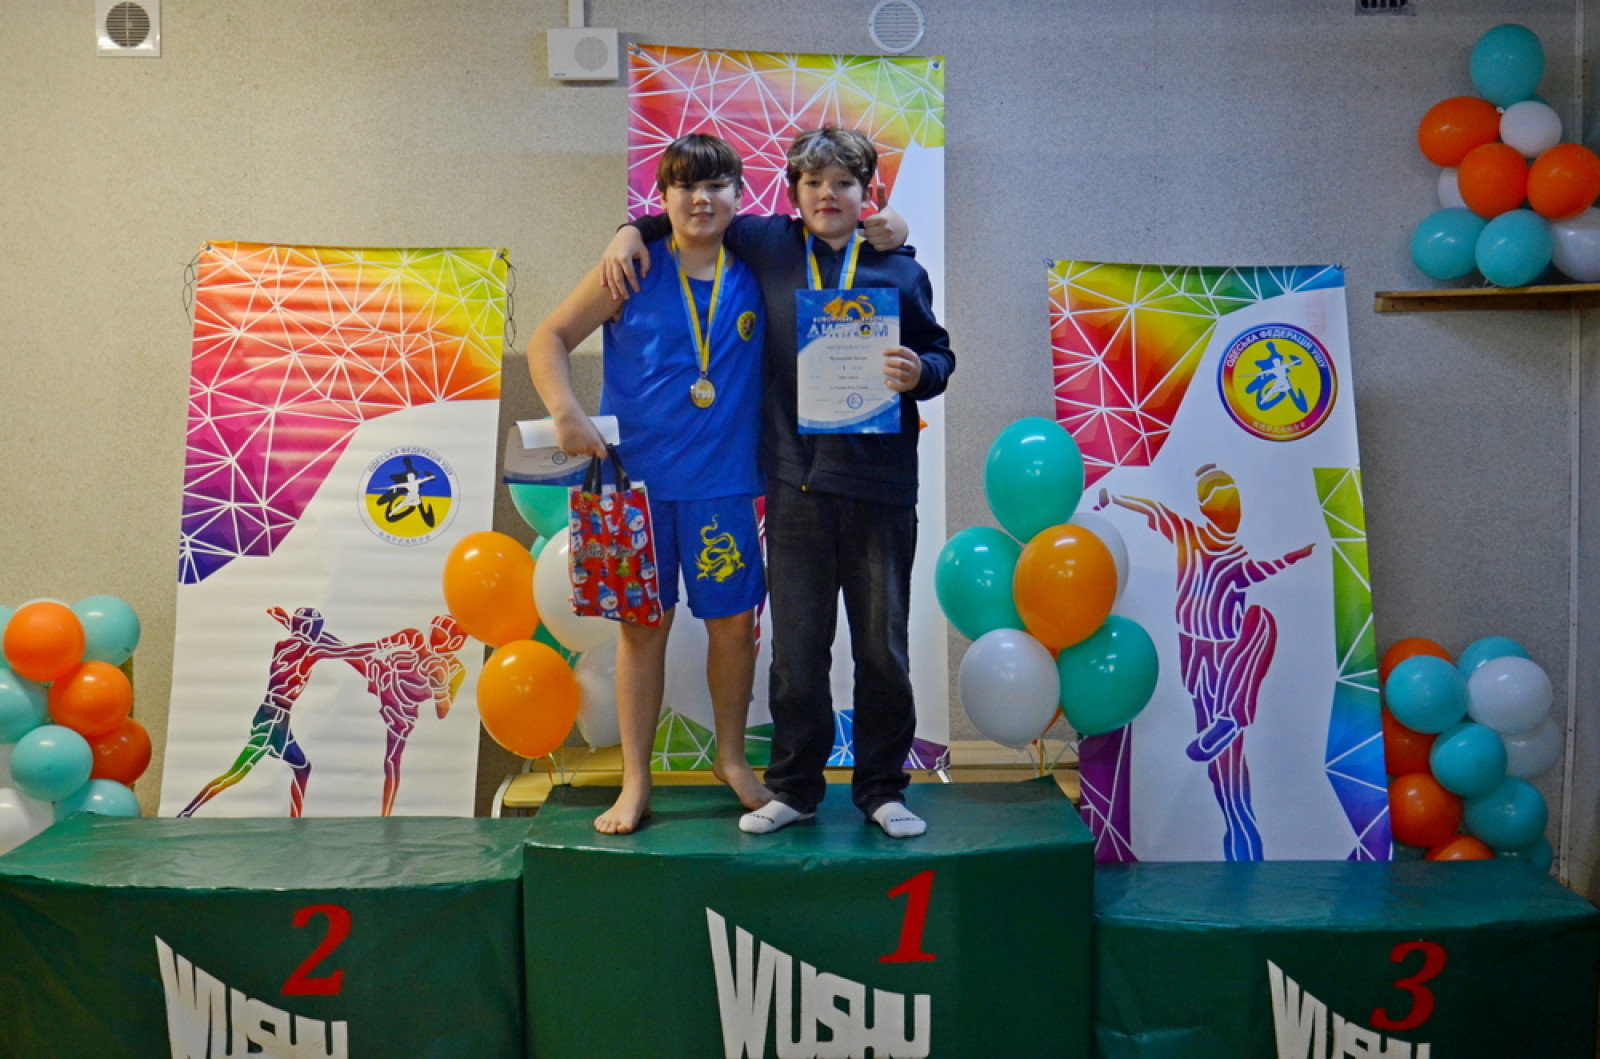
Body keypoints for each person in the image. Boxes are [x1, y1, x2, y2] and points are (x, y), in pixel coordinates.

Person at [603, 128, 954, 839]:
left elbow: (939, 353)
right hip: (795, 486)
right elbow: (691, 210)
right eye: (814, 182)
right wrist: (627, 230)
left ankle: (882, 789)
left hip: (882, 489)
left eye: (845, 183)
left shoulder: (899, 268)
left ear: (866, 193)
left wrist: (923, 372)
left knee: (882, 651)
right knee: (797, 653)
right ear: (793, 193)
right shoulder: (769, 245)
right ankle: (794, 788)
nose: (829, 195)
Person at [527, 133, 772, 834]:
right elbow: (548, 338)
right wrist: (566, 411)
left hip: (724, 484)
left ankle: (731, 758)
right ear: (663, 198)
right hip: (634, 486)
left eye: (717, 185)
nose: (702, 199)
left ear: (738, 195)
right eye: (685, 186)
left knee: (734, 628)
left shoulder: (759, 269)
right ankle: (636, 780)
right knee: (641, 629)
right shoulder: (629, 266)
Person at [1096, 467, 1313, 860]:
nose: (1234, 509)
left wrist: (1293, 558)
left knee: (1261, 621)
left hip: (1228, 652)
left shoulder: (1235, 554)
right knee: (1221, 757)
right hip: (1195, 652)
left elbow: (1257, 572)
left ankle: (1233, 721)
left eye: (1235, 501)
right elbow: (1153, 508)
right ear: (1208, 506)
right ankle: (1237, 822)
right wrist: (1113, 497)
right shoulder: (1189, 534)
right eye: (1226, 500)